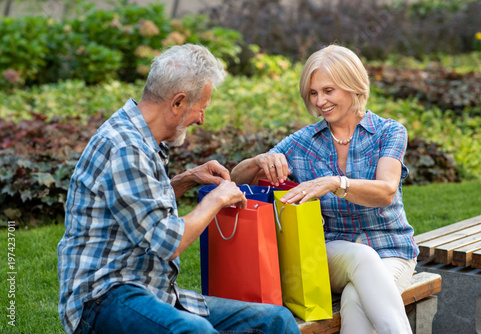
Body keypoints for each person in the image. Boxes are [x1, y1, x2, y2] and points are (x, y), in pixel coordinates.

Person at [57, 44, 300, 334]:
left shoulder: (139, 138)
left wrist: (187, 179)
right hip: (105, 299)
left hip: (154, 292)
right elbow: (167, 242)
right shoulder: (125, 146)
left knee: (277, 321)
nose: (201, 119)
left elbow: (140, 209)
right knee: (196, 332)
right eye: (202, 108)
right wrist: (216, 200)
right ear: (178, 103)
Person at [231, 44, 419, 334]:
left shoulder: (389, 132)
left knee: (356, 299)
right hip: (330, 252)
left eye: (328, 91)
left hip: (391, 249)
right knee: (362, 258)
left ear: (353, 86)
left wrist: (336, 183)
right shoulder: (303, 141)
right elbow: (237, 180)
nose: (320, 101)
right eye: (313, 93)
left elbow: (386, 191)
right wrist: (259, 160)